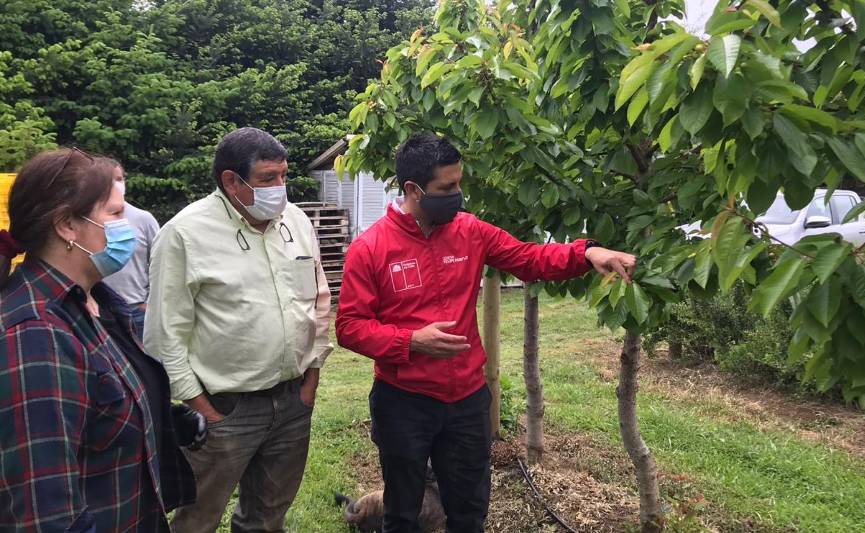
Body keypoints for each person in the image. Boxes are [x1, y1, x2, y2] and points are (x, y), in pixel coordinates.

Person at [335, 132, 637, 533]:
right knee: (402, 511)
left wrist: (586, 252)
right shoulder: (371, 248)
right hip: (403, 403)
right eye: (447, 187)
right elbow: (350, 327)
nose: (458, 194)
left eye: (459, 183)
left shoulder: (470, 231)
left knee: (469, 509)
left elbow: (529, 258)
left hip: (466, 400)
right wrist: (410, 341)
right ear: (413, 189)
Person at [0, 148, 202, 533]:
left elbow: (93, 410)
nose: (128, 225)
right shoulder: (35, 335)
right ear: (67, 226)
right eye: (115, 214)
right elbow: (48, 517)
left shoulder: (96, 301)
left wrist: (165, 421)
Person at [145, 127, 334, 533]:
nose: (280, 188)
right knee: (197, 519)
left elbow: (317, 300)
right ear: (231, 181)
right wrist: (205, 411)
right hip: (224, 408)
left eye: (283, 175)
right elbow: (165, 336)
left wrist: (311, 380)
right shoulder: (184, 234)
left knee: (268, 518)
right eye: (268, 178)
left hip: (292, 400)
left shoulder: (296, 221)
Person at [102, 158, 161, 310]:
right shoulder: (85, 220)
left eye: (119, 179)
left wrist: (149, 302)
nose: (116, 184)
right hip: (99, 311)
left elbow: (162, 263)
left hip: (136, 309)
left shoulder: (143, 219)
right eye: (109, 180)